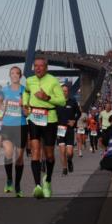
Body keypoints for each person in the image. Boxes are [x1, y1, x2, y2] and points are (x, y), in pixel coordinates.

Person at [22, 56, 66, 199]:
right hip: (34, 117)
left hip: (50, 119)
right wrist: (25, 105)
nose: (38, 68)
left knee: (49, 155)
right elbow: (26, 92)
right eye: (36, 66)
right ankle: (37, 186)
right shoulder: (30, 80)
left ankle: (47, 181)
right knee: (35, 150)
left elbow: (62, 101)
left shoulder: (53, 81)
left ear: (46, 68)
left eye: (41, 66)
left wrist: (47, 98)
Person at [0, 66, 27, 197]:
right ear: (10, 76)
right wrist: (1, 105)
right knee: (9, 153)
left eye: (17, 73)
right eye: (12, 73)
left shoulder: (25, 91)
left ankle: (18, 185)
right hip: (7, 126)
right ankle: (9, 179)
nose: (14, 75)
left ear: (20, 76)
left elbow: (27, 112)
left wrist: (23, 106)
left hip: (21, 126)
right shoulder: (4, 90)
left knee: (19, 158)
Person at [56, 83, 80, 175]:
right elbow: (53, 115)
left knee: (69, 153)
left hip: (70, 129)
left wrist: (74, 120)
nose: (64, 92)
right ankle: (64, 168)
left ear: (68, 92)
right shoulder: (57, 103)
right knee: (62, 151)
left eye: (65, 91)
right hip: (61, 129)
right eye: (62, 91)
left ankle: (69, 161)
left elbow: (79, 113)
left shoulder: (72, 102)